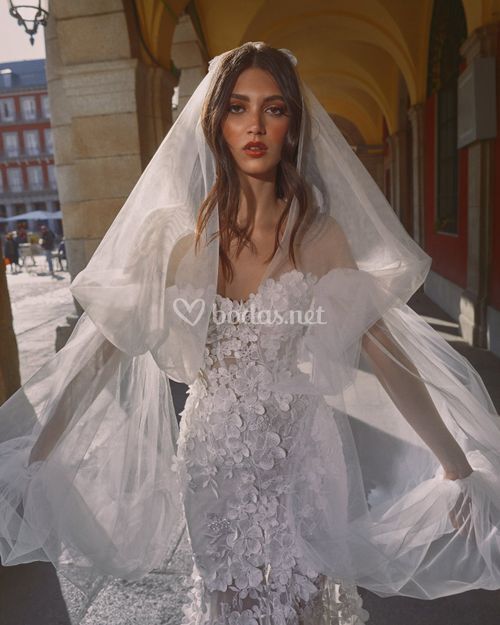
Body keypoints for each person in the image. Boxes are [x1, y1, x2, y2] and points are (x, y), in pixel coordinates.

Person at [1, 43, 500, 625]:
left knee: (307, 602)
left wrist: (456, 468)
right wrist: (35, 458)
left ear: (293, 124)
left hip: (303, 458)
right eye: (238, 108)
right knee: (228, 600)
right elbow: (103, 349)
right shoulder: (178, 239)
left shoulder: (319, 236)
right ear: (215, 122)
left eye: (274, 108)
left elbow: (386, 354)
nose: (256, 125)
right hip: (216, 458)